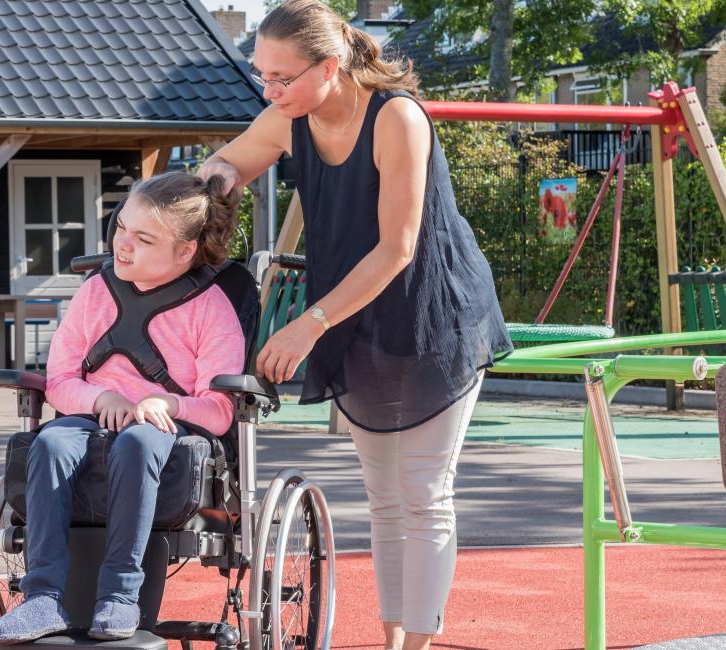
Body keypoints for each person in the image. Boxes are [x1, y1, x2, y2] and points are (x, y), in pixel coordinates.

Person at [197, 2, 512, 648]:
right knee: (383, 495)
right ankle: (393, 638)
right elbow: (228, 164)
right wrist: (202, 189)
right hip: (356, 315)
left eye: (282, 77)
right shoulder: (289, 120)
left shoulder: (396, 119)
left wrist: (307, 325)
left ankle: (418, 645)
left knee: (423, 490)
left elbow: (397, 249)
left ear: (330, 67)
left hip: (434, 313)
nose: (269, 89)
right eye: (262, 75)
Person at [0, 172, 245, 644]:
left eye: (143, 238)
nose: (123, 245)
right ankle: (42, 597)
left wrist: (164, 401)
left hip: (165, 429)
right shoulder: (94, 293)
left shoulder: (211, 310)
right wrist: (101, 397)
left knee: (137, 443)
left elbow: (220, 409)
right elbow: (61, 381)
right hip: (90, 418)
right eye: (121, 228)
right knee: (48, 443)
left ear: (185, 251)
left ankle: (121, 595)